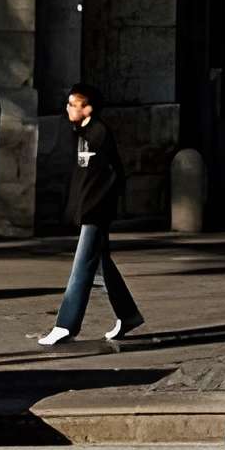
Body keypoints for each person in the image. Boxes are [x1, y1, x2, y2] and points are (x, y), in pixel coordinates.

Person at [36, 84, 143, 348]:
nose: (68, 108)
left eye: (74, 104)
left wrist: (93, 208)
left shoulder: (99, 134)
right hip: (89, 208)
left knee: (82, 266)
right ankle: (128, 315)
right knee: (101, 264)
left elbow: (109, 175)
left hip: (96, 211)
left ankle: (66, 325)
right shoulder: (81, 132)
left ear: (88, 108)